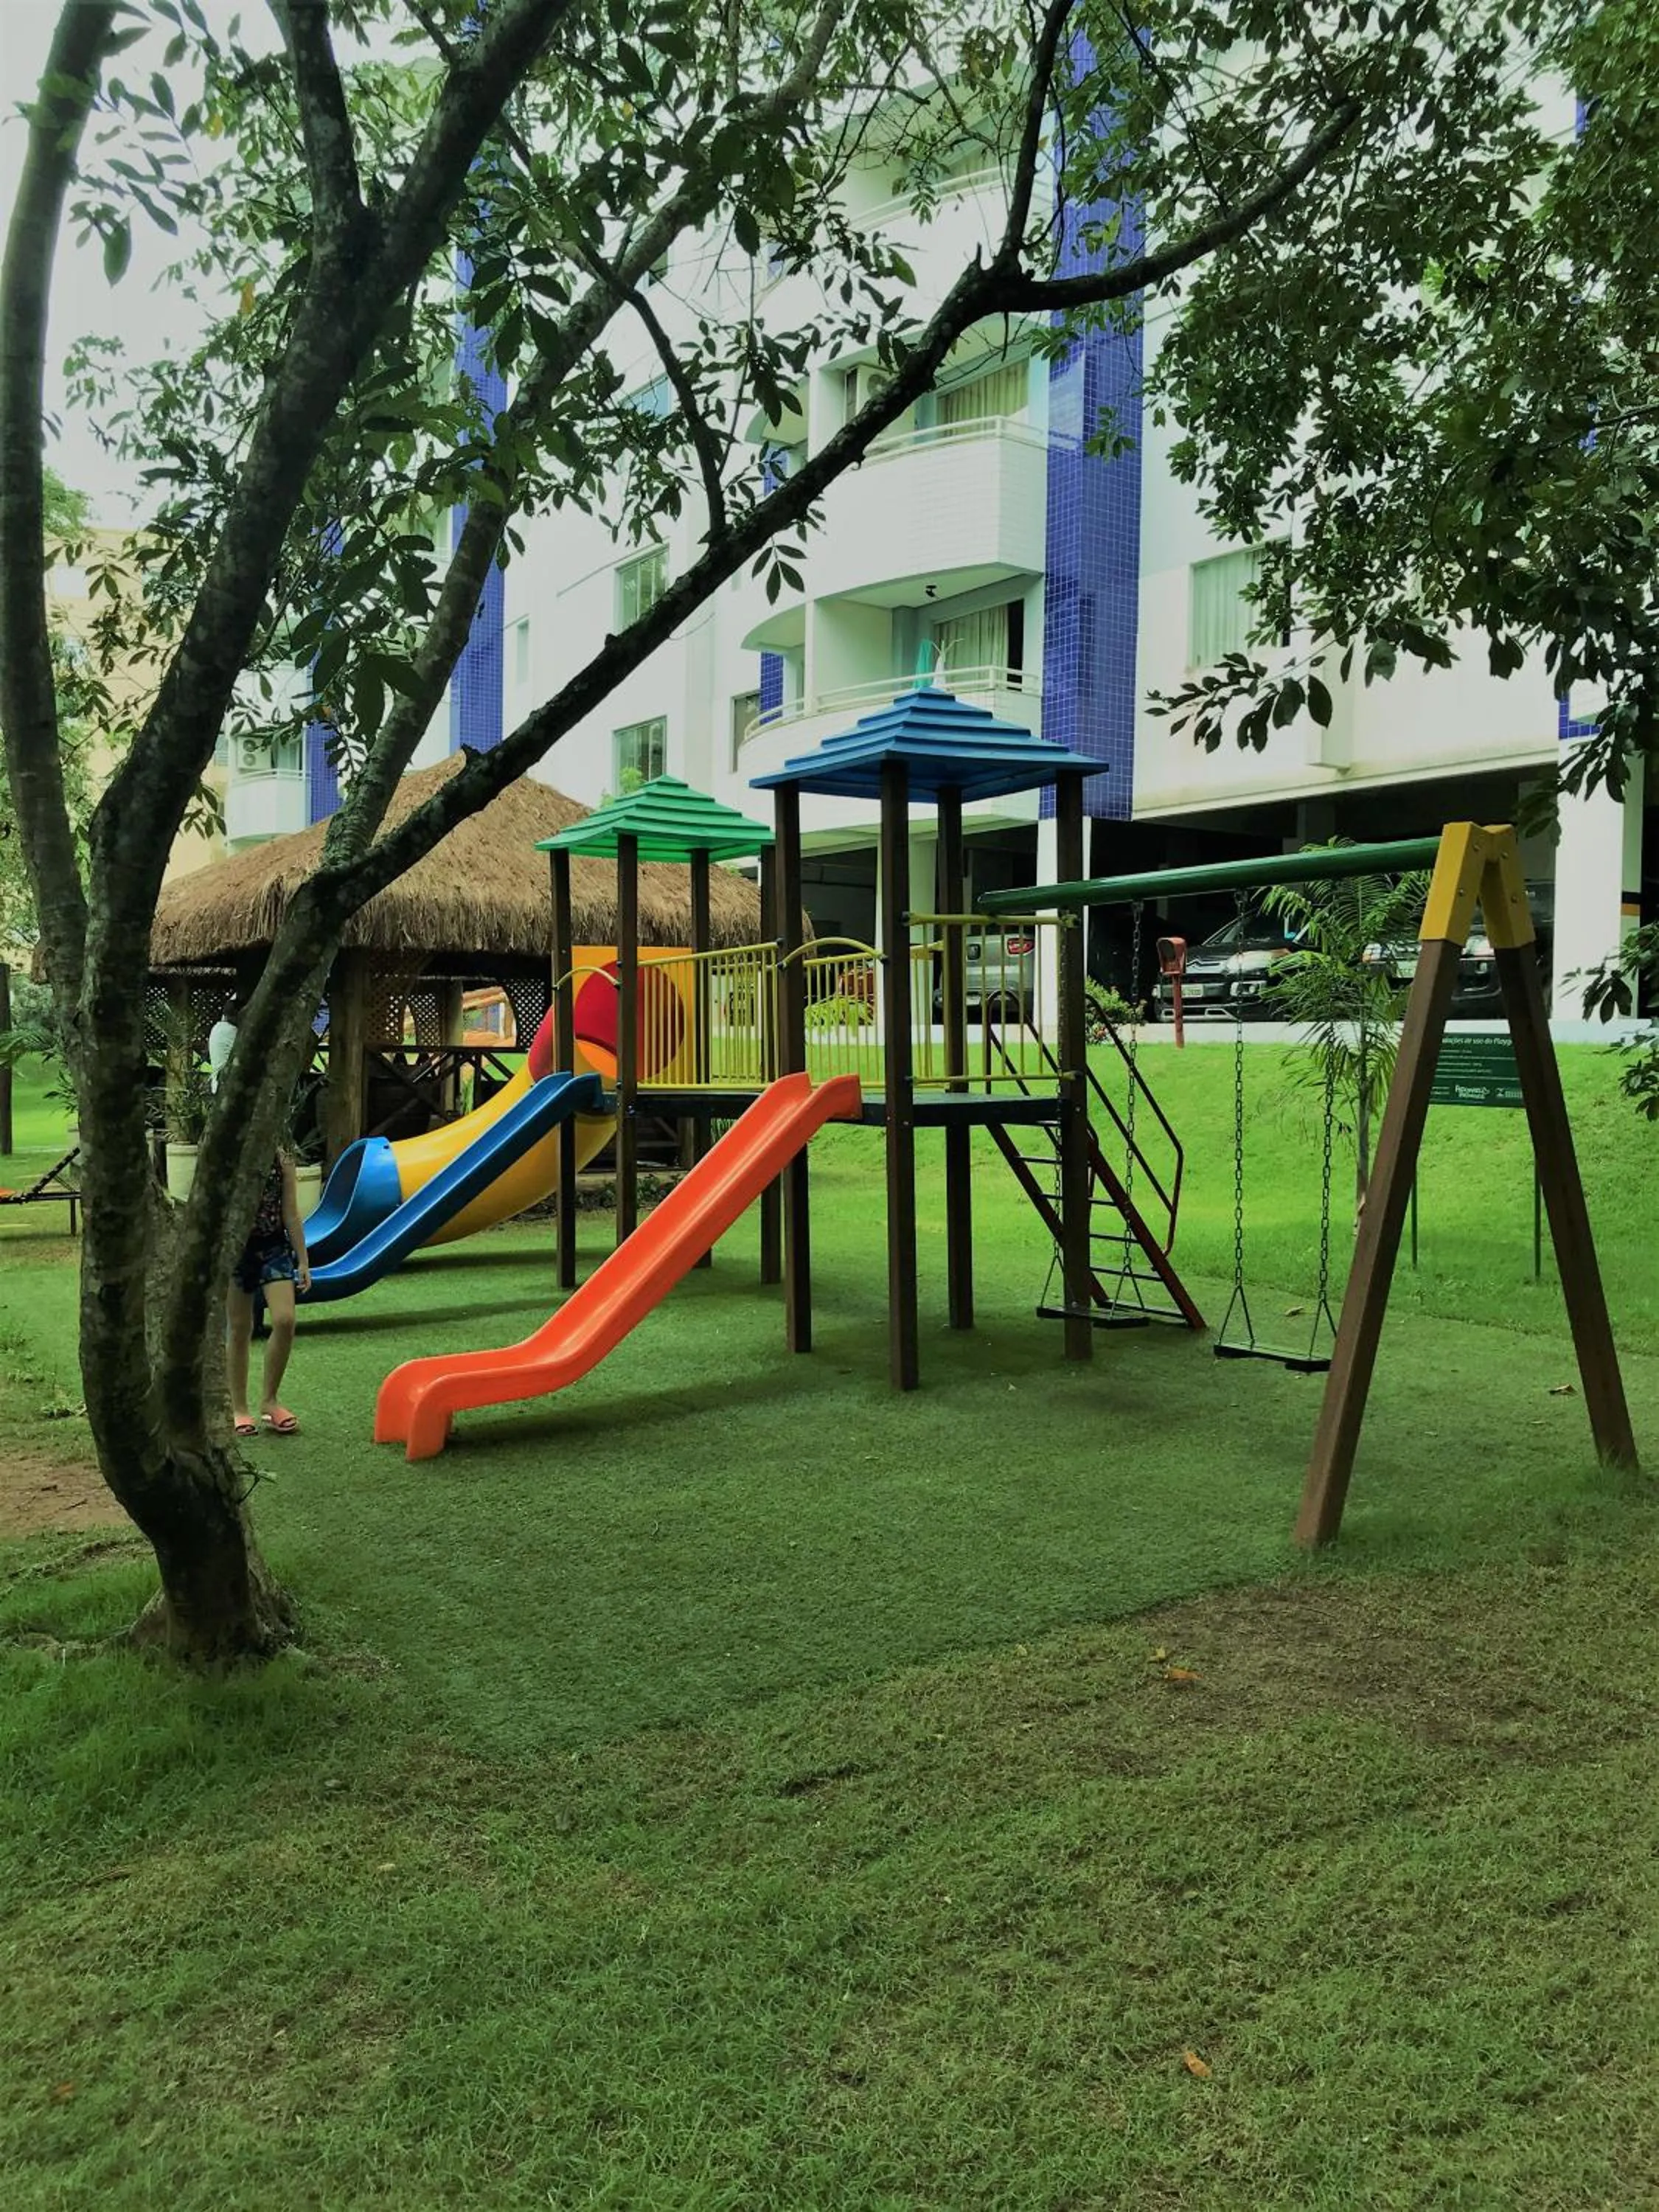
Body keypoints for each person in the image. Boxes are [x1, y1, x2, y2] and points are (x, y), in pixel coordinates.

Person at [227, 1151, 310, 1436]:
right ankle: (238, 1408)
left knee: (285, 1320)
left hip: (274, 1248)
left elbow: (291, 1212)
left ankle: (270, 1401)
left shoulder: (282, 1157)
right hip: (236, 1250)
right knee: (240, 1327)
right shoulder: (230, 1150)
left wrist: (302, 1260)